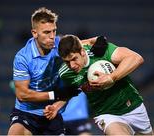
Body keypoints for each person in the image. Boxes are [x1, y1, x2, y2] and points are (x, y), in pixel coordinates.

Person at [8, 7, 98, 135]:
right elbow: (22, 94)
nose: (52, 37)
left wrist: (99, 42)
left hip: (52, 113)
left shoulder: (59, 44)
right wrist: (54, 94)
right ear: (34, 33)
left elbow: (82, 44)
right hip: (26, 113)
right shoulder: (23, 57)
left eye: (54, 31)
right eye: (46, 32)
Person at [57, 34, 153, 135]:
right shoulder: (65, 74)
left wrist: (112, 77)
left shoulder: (101, 52)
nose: (71, 65)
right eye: (67, 62)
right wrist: (56, 106)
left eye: (74, 59)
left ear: (82, 52)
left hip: (133, 107)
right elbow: (72, 91)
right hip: (106, 114)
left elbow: (136, 58)